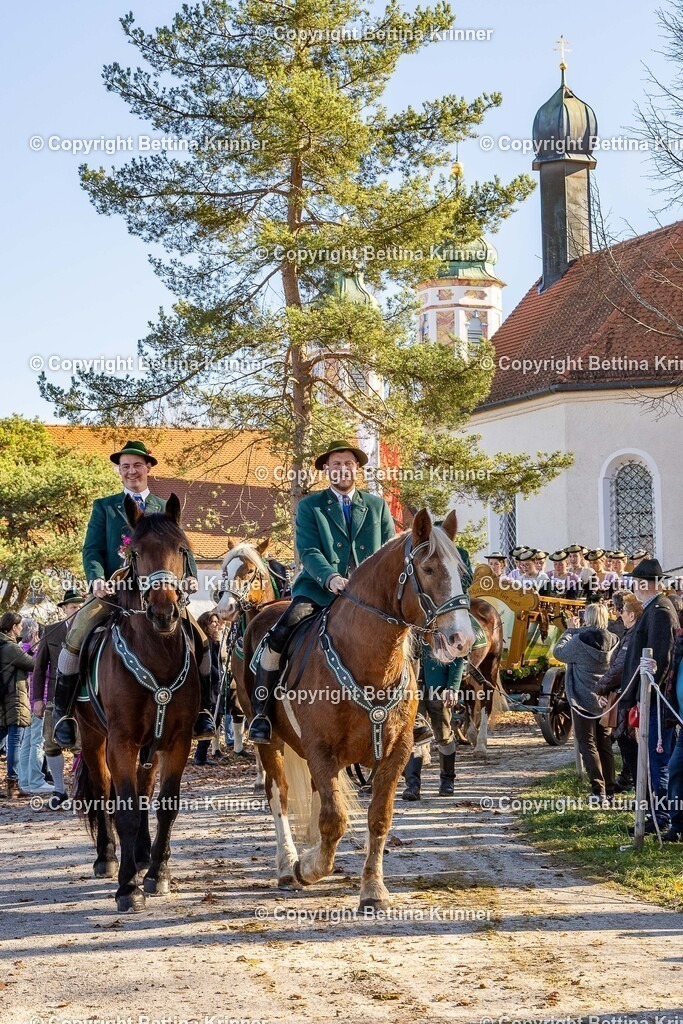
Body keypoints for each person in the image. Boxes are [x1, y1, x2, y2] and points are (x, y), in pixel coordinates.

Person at [52, 440, 214, 749]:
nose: (130, 471)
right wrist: (97, 580)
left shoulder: (164, 507)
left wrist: (190, 576)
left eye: (137, 465)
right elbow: (93, 549)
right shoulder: (105, 506)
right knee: (75, 636)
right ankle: (64, 715)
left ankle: (203, 710)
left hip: (158, 594)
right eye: (124, 466)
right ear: (119, 470)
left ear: (148, 467)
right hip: (115, 592)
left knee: (201, 639)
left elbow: (181, 549)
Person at [248, 441, 397, 745]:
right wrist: (331, 578)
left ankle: (411, 714)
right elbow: (309, 550)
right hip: (318, 591)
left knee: (407, 639)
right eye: (336, 464)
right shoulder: (310, 507)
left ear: (357, 468)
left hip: (371, 600)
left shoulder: (377, 506)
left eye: (348, 463)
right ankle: (261, 714)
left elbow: (389, 553)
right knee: (278, 636)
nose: (342, 469)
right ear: (326, 470)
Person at [621, 558, 678, 834]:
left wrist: (647, 690)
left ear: (644, 584)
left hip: (656, 699)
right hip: (649, 696)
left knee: (658, 761)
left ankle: (662, 818)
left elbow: (660, 657)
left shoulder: (660, 611)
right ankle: (656, 815)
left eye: (636, 582)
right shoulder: (654, 608)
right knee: (653, 760)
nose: (634, 587)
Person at [554, 603, 619, 799]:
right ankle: (610, 788)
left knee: (587, 744)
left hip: (582, 700)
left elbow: (558, 653)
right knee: (604, 743)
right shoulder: (615, 639)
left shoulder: (579, 639)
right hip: (605, 699)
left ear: (587, 618)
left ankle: (598, 789)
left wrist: (570, 630)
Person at [32, 589, 86, 809]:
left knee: (81, 747)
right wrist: (36, 698)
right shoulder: (50, 631)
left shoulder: (92, 630)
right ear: (64, 609)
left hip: (84, 698)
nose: (77, 610)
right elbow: (39, 668)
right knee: (51, 744)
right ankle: (59, 791)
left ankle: (80, 791)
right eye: (73, 607)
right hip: (55, 697)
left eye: (80, 606)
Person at [595, 592, 643, 793]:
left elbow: (619, 668)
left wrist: (601, 687)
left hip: (627, 698)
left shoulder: (632, 636)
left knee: (630, 749)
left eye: (622, 611)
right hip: (624, 695)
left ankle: (642, 798)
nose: (619, 614)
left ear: (631, 615)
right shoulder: (629, 633)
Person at [0, 612, 35, 800]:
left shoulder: (3, 645)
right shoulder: (11, 647)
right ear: (13, 627)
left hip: (3, 700)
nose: (21, 629)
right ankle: (12, 785)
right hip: (15, 700)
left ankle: (12, 784)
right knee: (15, 742)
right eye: (19, 626)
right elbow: (33, 665)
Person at [17, 618, 52, 797]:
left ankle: (25, 780)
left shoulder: (21, 651)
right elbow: (44, 671)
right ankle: (36, 780)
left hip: (26, 702)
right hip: (38, 700)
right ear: (33, 633)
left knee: (28, 742)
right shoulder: (34, 653)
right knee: (37, 742)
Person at [194, 610, 229, 766]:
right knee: (212, 718)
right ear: (205, 624)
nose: (216, 624)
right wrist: (218, 675)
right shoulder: (205, 642)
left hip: (217, 686)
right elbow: (209, 665)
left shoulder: (215, 641)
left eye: (216, 622)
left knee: (218, 717)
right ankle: (200, 755)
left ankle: (203, 753)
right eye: (213, 622)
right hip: (209, 687)